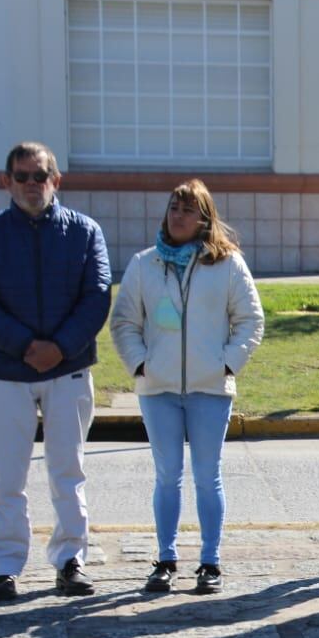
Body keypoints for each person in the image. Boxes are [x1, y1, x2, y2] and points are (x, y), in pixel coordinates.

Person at [0, 141, 111, 602]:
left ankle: (71, 561)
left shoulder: (85, 232)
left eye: (39, 176)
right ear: (6, 182)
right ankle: (5, 567)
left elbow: (97, 296)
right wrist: (26, 347)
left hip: (68, 371)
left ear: (56, 180)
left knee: (68, 470)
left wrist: (60, 347)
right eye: (22, 176)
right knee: (8, 476)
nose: (31, 185)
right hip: (7, 371)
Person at [110, 179, 264, 594]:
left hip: (209, 388)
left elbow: (250, 320)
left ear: (204, 219)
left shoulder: (228, 264)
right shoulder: (144, 264)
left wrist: (227, 363)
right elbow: (124, 322)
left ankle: (210, 561)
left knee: (207, 475)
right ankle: (165, 557)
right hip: (158, 388)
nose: (178, 216)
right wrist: (140, 363)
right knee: (166, 475)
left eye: (188, 210)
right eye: (173, 208)